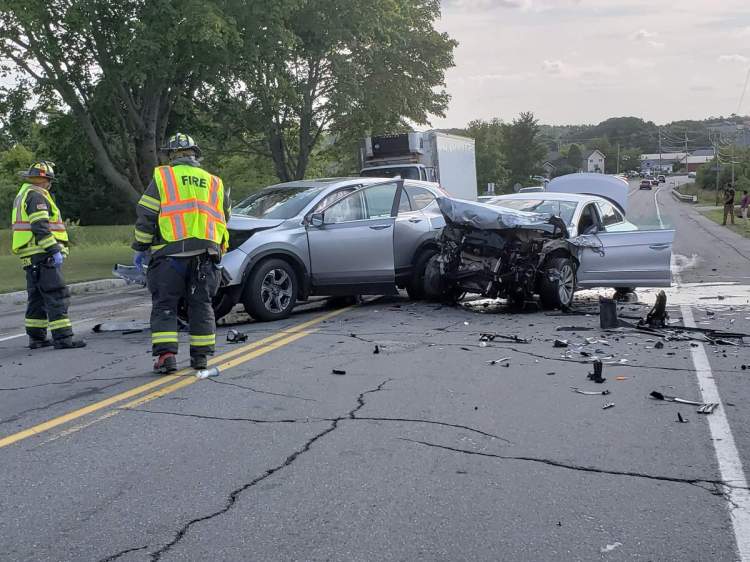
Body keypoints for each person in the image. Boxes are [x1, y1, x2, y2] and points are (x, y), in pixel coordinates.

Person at [132, 133, 231, 373]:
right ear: (195, 154)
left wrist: (141, 247)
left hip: (169, 256)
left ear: (171, 155)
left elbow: (147, 214)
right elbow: (224, 218)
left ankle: (166, 357)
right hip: (205, 256)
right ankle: (201, 359)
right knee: (201, 305)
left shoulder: (164, 177)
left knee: (166, 304)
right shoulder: (214, 182)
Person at [10, 161, 86, 349]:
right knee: (56, 295)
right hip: (43, 254)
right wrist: (54, 250)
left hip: (30, 256)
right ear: (43, 180)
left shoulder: (23, 194)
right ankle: (63, 338)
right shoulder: (36, 196)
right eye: (49, 181)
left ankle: (37, 338)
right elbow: (40, 227)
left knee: (36, 298)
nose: (50, 186)